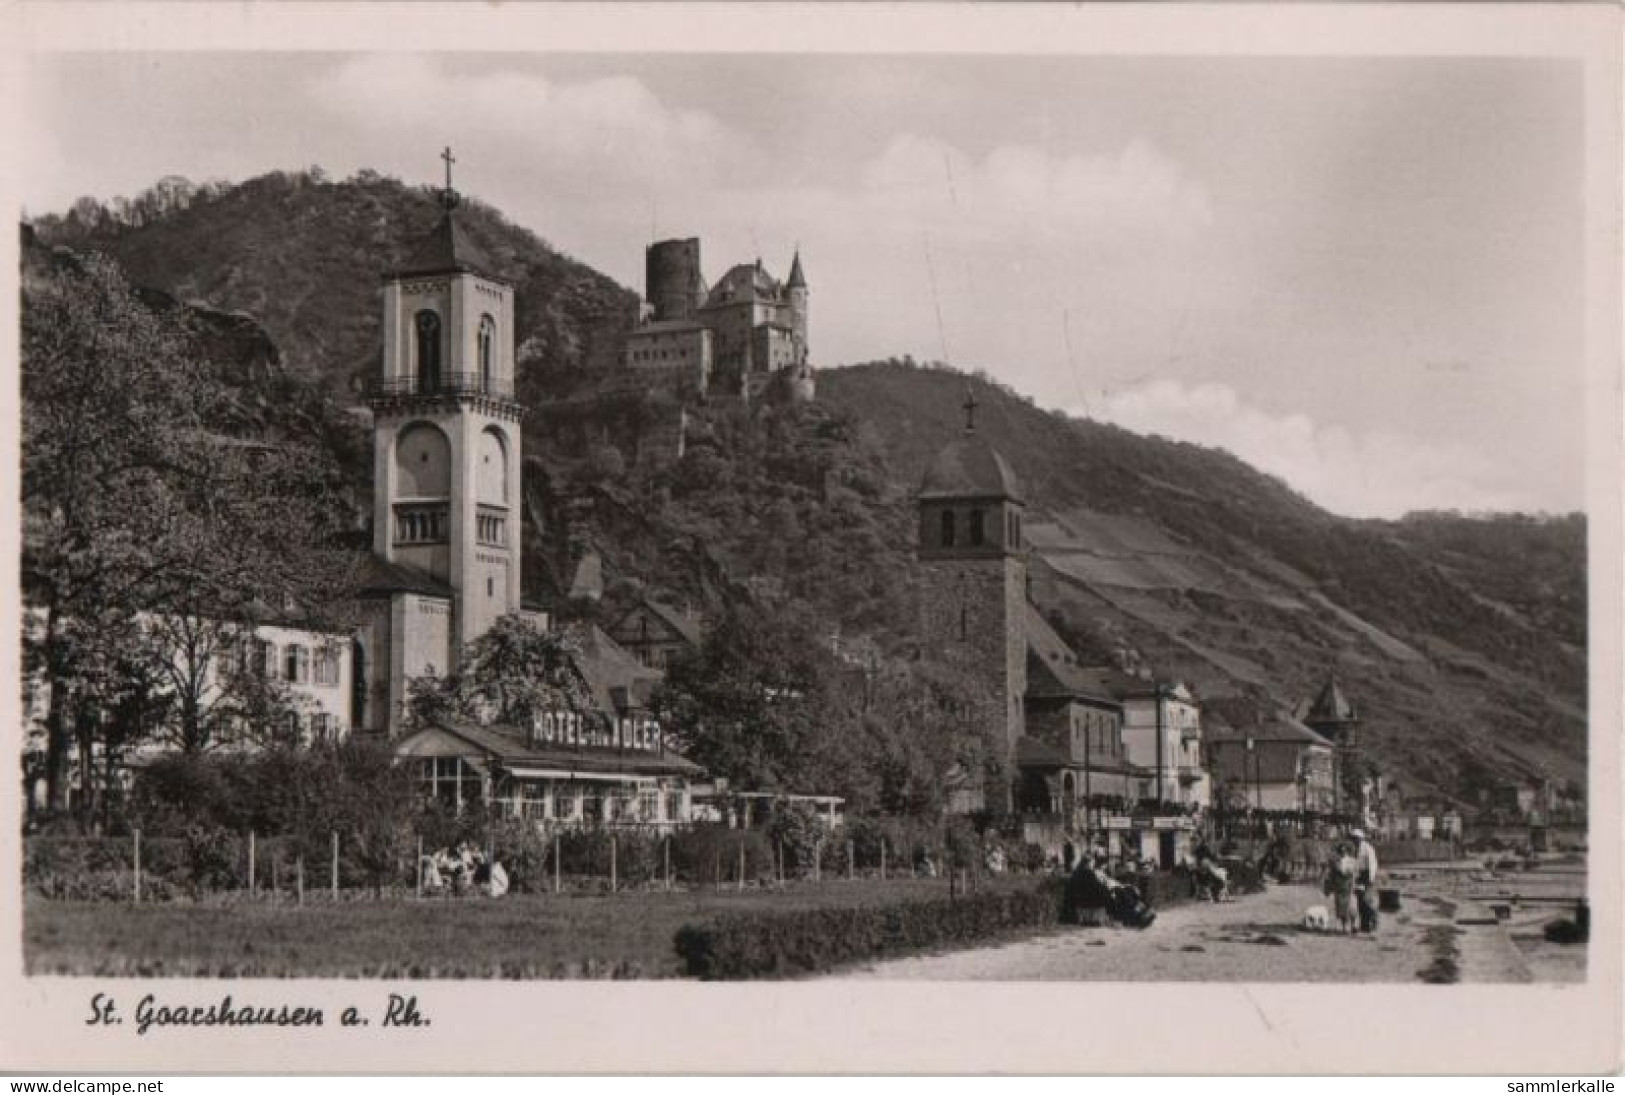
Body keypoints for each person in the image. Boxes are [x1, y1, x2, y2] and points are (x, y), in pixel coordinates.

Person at [1323, 843, 1357, 933]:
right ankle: (1344, 927)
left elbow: (1354, 874)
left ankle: (1353, 925)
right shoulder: (1335, 862)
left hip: (1349, 886)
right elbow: (1331, 876)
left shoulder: (1352, 861)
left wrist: (1353, 885)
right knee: (1341, 908)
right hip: (1339, 887)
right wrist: (1328, 889)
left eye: (1344, 850)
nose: (1343, 852)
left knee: (1352, 907)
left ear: (1347, 851)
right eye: (1341, 850)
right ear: (1339, 852)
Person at [1352, 829, 1380, 933]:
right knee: (1360, 902)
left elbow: (1372, 864)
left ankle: (1374, 920)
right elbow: (1356, 864)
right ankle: (1364, 925)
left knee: (1367, 901)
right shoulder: (1356, 849)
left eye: (1356, 838)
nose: (1354, 841)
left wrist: (1370, 879)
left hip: (1367, 876)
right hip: (1360, 876)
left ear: (1361, 838)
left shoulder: (1368, 848)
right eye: (1353, 839)